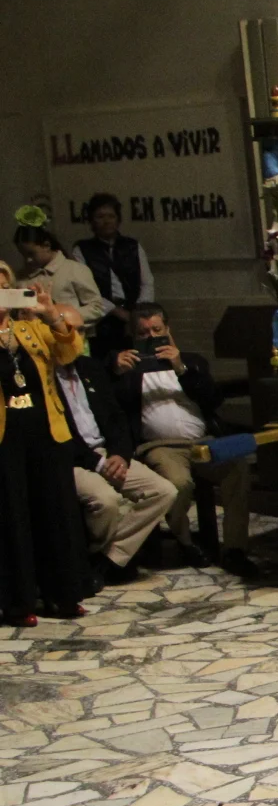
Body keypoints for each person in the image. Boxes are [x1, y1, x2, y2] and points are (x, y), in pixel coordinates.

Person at [113, 303, 255, 576]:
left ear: (168, 330)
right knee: (179, 484)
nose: (152, 337)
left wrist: (181, 368)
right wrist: (118, 371)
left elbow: (213, 399)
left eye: (157, 330)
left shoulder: (192, 362)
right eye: (143, 333)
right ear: (134, 337)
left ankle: (235, 550)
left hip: (203, 442)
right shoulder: (128, 371)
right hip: (160, 446)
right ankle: (186, 541)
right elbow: (115, 405)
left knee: (237, 470)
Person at [0, 263, 94, 626]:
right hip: (5, 438)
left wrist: (51, 313)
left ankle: (63, 594)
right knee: (13, 516)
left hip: (46, 432)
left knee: (56, 512)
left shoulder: (31, 329)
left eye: (5, 288)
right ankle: (18, 600)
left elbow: (69, 352)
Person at [54, 345, 176, 584]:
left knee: (164, 491)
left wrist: (120, 454)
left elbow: (116, 416)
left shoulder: (88, 367)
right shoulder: (43, 375)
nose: (75, 340)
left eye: (80, 332)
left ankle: (107, 560)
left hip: (107, 452)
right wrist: (98, 463)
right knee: (106, 501)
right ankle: (101, 559)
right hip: (71, 459)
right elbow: (57, 435)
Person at [72, 193, 155, 357]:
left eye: (111, 216)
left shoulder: (132, 246)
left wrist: (139, 313)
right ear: (92, 221)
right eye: (100, 217)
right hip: (102, 319)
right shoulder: (82, 249)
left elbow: (147, 282)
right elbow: (85, 289)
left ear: (118, 219)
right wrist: (115, 311)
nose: (106, 221)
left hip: (135, 314)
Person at [13, 206, 107, 336]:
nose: (28, 260)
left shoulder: (74, 270)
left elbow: (97, 308)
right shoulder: (20, 277)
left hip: (71, 339)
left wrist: (62, 315)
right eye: (23, 255)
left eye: (31, 254)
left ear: (47, 245)